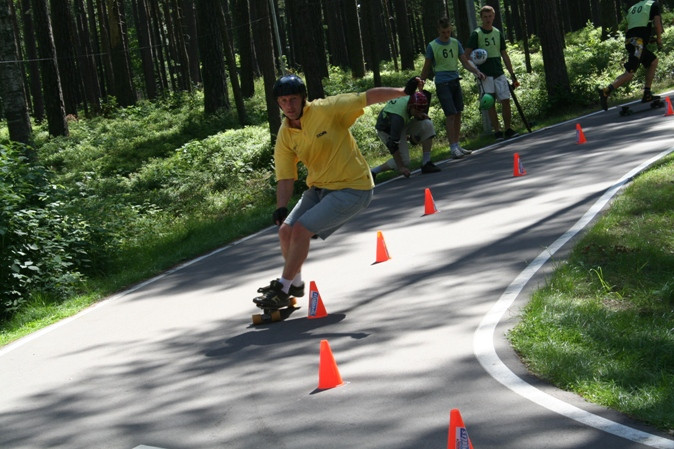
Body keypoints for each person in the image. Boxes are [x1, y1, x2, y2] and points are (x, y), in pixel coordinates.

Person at [254, 74, 422, 307]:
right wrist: (281, 206)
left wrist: (403, 92)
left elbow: (367, 97)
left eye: (293, 99)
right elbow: (285, 176)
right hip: (320, 188)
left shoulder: (327, 109)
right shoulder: (285, 133)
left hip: (354, 188)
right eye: (283, 101)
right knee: (286, 231)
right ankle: (295, 284)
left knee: (301, 230)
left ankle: (283, 287)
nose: (289, 106)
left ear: (303, 98)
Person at [421, 16, 486, 159]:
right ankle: (452, 148)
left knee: (458, 113)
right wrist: (421, 82)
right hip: (442, 83)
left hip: (455, 80)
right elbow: (426, 67)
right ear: (439, 31)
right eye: (443, 32)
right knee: (450, 114)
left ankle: (457, 144)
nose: (446, 35)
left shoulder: (456, 43)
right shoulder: (432, 46)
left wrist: (476, 71)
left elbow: (465, 62)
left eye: (448, 32)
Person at [464, 5, 520, 140]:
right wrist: (476, 71)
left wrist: (512, 75)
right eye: (485, 17)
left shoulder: (497, 33)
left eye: (490, 16)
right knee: (490, 102)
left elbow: (504, 55)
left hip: (498, 72)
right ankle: (497, 131)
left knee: (505, 100)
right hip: (485, 75)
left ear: (494, 16)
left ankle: (508, 129)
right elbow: (466, 56)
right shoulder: (476, 34)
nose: (488, 19)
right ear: (481, 18)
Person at [598, 0, 663, 111]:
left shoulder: (633, 8)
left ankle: (647, 93)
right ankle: (606, 91)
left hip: (631, 41)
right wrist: (659, 40)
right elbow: (657, 24)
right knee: (630, 73)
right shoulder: (653, 4)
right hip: (638, 44)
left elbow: (629, 28)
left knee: (653, 61)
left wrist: (647, 39)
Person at [370, 90, 440, 180]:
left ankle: (426, 163)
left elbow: (418, 105)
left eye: (421, 110)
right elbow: (393, 145)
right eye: (418, 110)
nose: (420, 112)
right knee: (404, 161)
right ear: (411, 106)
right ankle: (373, 171)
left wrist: (419, 115)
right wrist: (401, 167)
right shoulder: (397, 118)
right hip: (387, 129)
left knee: (427, 124)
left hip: (403, 122)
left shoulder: (412, 100)